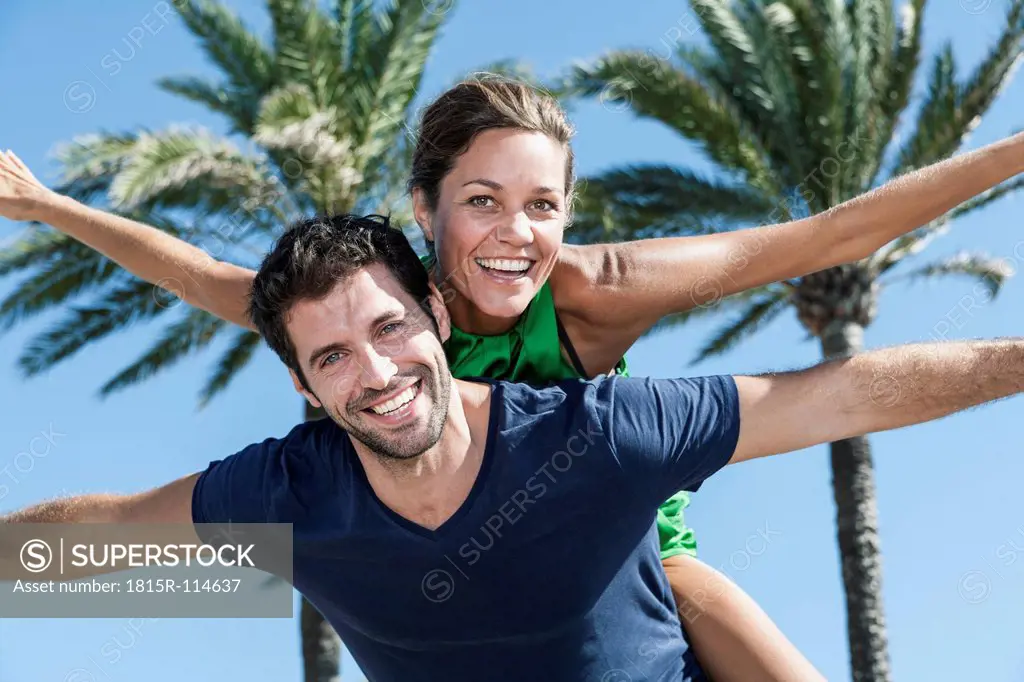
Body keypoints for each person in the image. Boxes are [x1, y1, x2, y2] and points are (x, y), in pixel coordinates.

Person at [1, 77, 1023, 679]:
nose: (514, 236)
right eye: (483, 201)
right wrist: (52, 208)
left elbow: (830, 239)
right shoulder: (366, 309)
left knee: (714, 608)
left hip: (630, 542)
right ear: (426, 208)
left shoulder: (594, 295)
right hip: (426, 572)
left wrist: (1008, 152)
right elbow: (202, 275)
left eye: (543, 206)